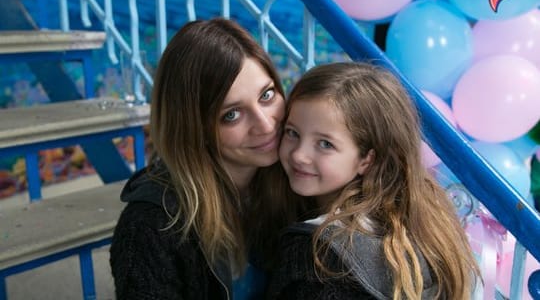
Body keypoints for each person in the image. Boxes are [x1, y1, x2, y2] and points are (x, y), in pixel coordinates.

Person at [110, 18, 306, 299]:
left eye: (267, 95)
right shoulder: (149, 226)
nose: (265, 125)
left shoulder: (295, 178)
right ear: (194, 129)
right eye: (232, 114)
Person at [267, 62, 481, 299]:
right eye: (292, 133)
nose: (299, 154)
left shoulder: (318, 256)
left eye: (325, 144)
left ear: (367, 159)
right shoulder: (429, 217)